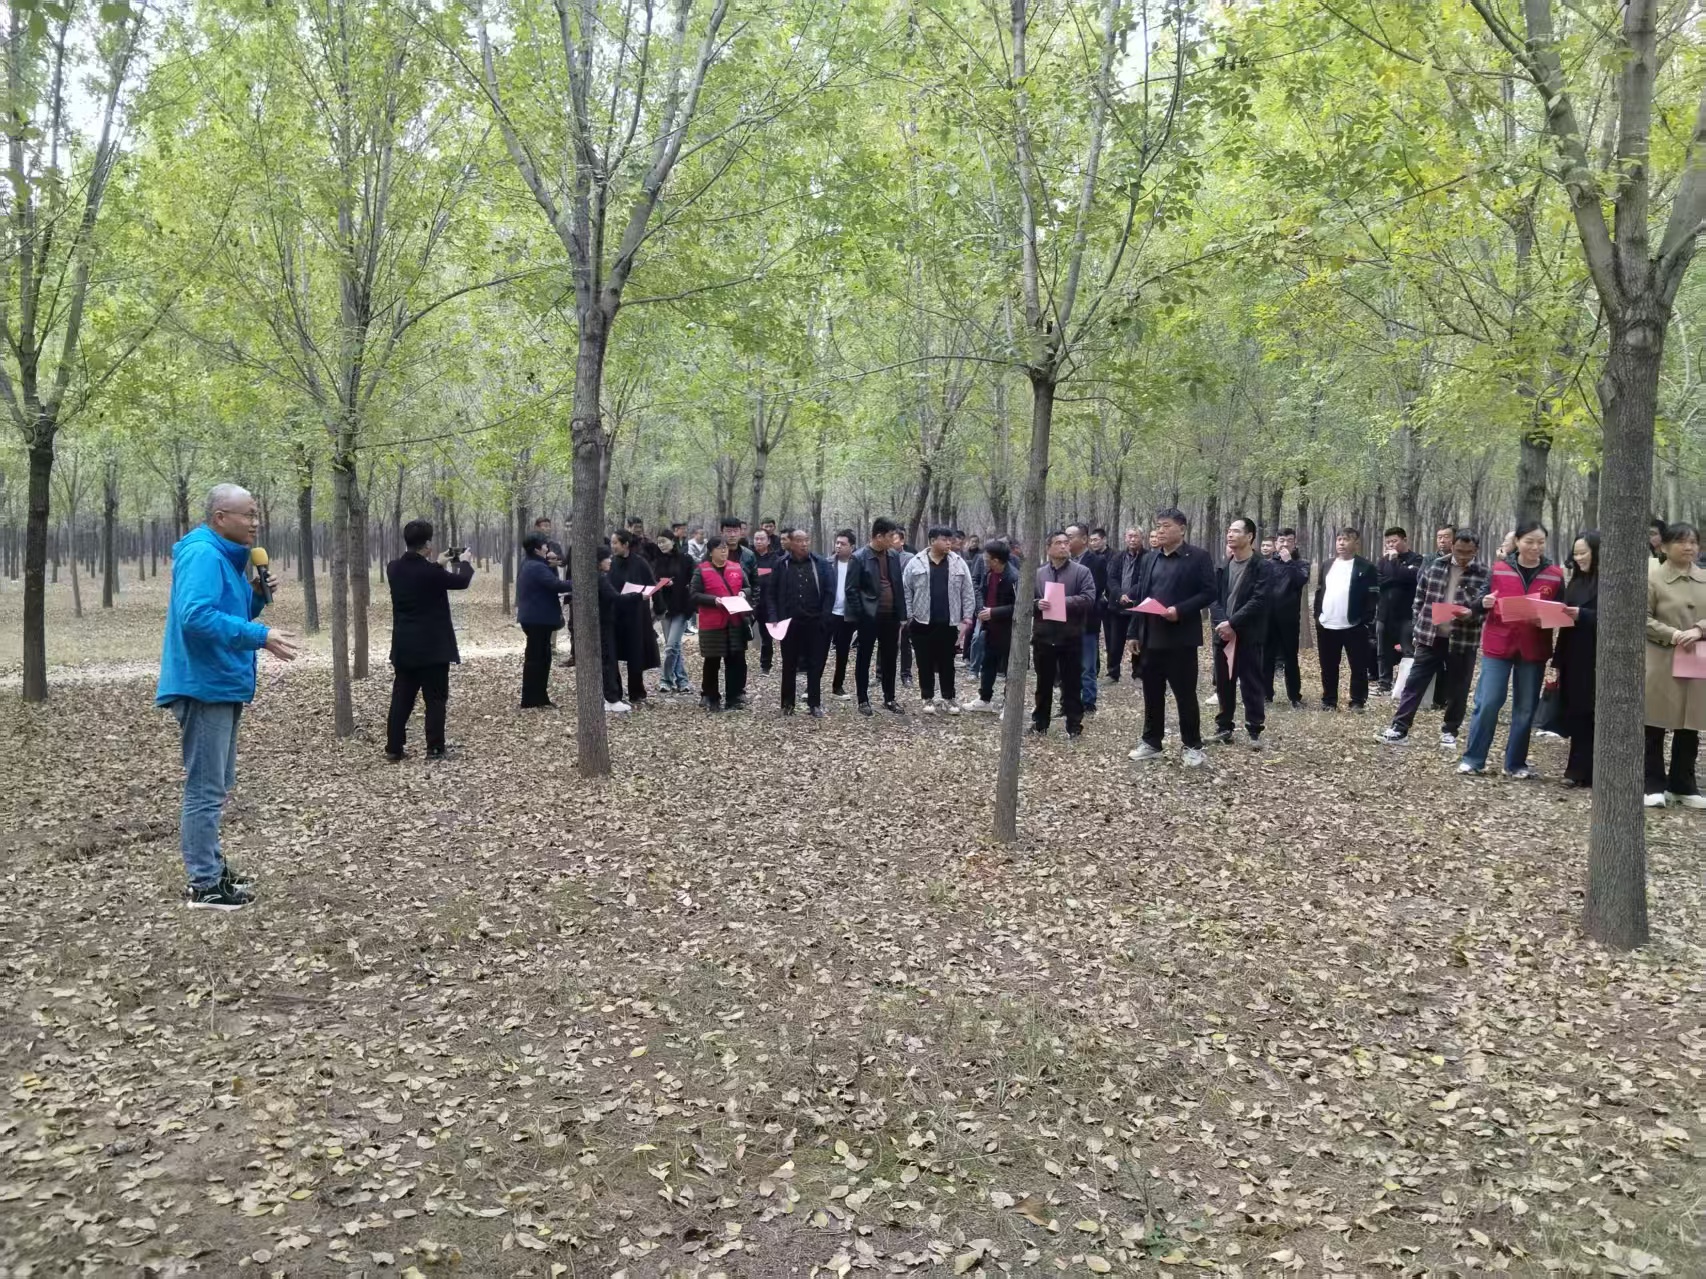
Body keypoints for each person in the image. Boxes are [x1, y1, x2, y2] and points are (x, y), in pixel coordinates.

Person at [156, 483, 298, 910]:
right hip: (204, 685)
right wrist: (260, 635)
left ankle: (213, 868)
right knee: (204, 788)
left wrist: (253, 597)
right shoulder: (203, 554)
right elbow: (196, 617)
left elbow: (224, 615)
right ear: (220, 517)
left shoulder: (225, 557)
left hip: (220, 681)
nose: (255, 523)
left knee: (216, 784)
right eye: (248, 514)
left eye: (256, 514)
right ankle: (204, 884)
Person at [1458, 520, 1565, 777]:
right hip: (1499, 643)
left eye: (1540, 542)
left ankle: (1515, 763)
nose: (1535, 547)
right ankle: (1473, 759)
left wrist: (1547, 617)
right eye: (1529, 542)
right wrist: (1483, 603)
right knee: (1488, 702)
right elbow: (1478, 603)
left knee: (1526, 708)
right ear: (1517, 542)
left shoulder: (1555, 574)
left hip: (1534, 646)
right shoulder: (1498, 569)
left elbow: (1562, 611)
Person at [1378, 531, 1488, 749]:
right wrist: (1418, 625)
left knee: (1458, 688)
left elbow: (1485, 608)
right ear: (1452, 547)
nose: (1463, 557)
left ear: (1476, 551)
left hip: (1463, 639)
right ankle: (1399, 728)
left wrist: (1472, 614)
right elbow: (1419, 598)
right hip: (1430, 636)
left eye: (1469, 553)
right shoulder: (1435, 566)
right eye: (1459, 551)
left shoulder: (1484, 573)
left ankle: (1450, 731)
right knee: (1414, 683)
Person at [1127, 508, 1216, 766]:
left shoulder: (1198, 557)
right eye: (1158, 526)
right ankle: (1151, 742)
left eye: (1166, 526)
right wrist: (1133, 632)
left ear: (1182, 529)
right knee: (1152, 693)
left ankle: (1192, 746)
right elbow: (1142, 596)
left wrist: (1180, 610)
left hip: (1181, 639)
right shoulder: (1150, 559)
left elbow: (1209, 592)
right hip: (1151, 637)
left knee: (1185, 695)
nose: (1160, 531)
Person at [384, 519, 474, 763]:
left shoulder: (393, 568)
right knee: (435, 699)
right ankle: (434, 749)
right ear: (428, 545)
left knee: (401, 698)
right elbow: (462, 582)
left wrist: (437, 563)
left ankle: (393, 747)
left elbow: (419, 576)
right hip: (433, 649)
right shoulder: (433, 574)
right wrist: (465, 563)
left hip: (405, 647)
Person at [1644, 522, 1706, 807]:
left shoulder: (1703, 577)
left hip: (1696, 659)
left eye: (1693, 542)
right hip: (1661, 658)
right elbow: (1642, 617)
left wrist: (1700, 629)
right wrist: (1674, 634)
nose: (1689, 547)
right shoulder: (1653, 578)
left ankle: (1683, 783)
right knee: (1654, 722)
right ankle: (1652, 783)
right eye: (1681, 542)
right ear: (1665, 546)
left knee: (1690, 722)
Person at [1209, 517, 1271, 748]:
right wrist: (1222, 623)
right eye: (1229, 531)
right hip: (1223, 634)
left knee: (1251, 682)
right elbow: (1214, 598)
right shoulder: (1223, 566)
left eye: (1236, 531)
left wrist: (1233, 623)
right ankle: (1224, 727)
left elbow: (1259, 600)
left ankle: (1254, 729)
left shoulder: (1262, 566)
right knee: (1223, 683)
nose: (1230, 534)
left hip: (1248, 634)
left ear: (1250, 536)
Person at [1028, 531, 1097, 738]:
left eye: (1066, 542)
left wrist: (1062, 601)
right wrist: (1037, 604)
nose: (1064, 546)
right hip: (1043, 636)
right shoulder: (1038, 573)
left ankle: (1074, 725)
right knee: (1043, 683)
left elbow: (1089, 598)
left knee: (1072, 683)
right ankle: (1040, 723)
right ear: (1048, 548)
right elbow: (1027, 600)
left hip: (1071, 636)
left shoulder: (1081, 572)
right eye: (1058, 543)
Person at [902, 524, 977, 714]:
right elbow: (906, 591)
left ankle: (949, 697)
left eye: (950, 539)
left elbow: (967, 591)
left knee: (947, 662)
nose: (949, 543)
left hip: (949, 622)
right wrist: (909, 616)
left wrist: (967, 617)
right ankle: (927, 697)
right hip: (921, 622)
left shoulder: (958, 562)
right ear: (932, 541)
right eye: (944, 539)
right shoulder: (915, 563)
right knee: (924, 661)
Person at [770, 527, 837, 716]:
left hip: (815, 621)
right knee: (789, 663)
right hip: (789, 622)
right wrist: (774, 617)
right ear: (791, 543)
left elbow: (830, 592)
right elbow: (771, 594)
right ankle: (787, 704)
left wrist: (825, 617)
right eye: (799, 541)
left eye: (806, 540)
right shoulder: (781, 564)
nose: (804, 544)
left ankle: (814, 703)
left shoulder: (820, 563)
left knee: (815, 663)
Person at [1313, 527, 1380, 711]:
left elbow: (1373, 596)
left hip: (1354, 625)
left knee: (1358, 666)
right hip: (1327, 624)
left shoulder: (1366, 567)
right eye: (1339, 539)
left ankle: (1357, 701)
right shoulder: (1327, 565)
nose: (1341, 543)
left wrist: (1365, 620)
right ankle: (1329, 700)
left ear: (1356, 544)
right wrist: (1318, 616)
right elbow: (1319, 591)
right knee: (1328, 666)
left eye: (1346, 539)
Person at [846, 517, 907, 715]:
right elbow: (851, 590)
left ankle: (889, 698)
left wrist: (902, 615)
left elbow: (898, 585)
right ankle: (863, 700)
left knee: (890, 658)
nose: (893, 540)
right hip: (869, 617)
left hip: (891, 616)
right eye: (890, 536)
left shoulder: (893, 556)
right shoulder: (859, 557)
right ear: (879, 536)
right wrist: (861, 615)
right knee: (864, 657)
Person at [1552, 531, 1599, 787]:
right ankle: (1576, 768)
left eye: (1584, 553)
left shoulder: (1610, 582)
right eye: (1576, 553)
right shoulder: (1575, 581)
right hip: (1573, 654)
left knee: (1593, 713)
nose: (1579, 558)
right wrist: (1557, 662)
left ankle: (1592, 770)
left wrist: (1584, 615)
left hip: (1597, 655)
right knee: (1577, 712)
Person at [690, 536, 751, 711]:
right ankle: (711, 697)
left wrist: (743, 593)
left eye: (725, 548)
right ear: (711, 552)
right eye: (719, 548)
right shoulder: (701, 570)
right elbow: (694, 594)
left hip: (735, 621)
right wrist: (713, 600)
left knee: (735, 661)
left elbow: (748, 587)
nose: (724, 551)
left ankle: (733, 697)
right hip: (712, 623)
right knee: (712, 661)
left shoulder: (736, 567)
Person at [517, 532, 576, 709]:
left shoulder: (532, 563)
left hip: (536, 619)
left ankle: (540, 698)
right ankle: (531, 699)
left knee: (542, 658)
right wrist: (581, 581)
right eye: (544, 545)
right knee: (537, 660)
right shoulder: (536, 567)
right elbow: (557, 585)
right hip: (537, 620)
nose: (547, 548)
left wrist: (550, 564)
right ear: (537, 549)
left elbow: (549, 581)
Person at [608, 530, 661, 705]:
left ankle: (637, 692)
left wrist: (658, 607)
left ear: (625, 545)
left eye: (616, 543)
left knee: (635, 653)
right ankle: (615, 693)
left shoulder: (640, 563)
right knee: (613, 653)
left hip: (637, 615)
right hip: (616, 614)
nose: (613, 546)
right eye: (612, 543)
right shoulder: (611, 563)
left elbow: (652, 585)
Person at [966, 540, 1018, 711]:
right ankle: (984, 698)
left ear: (996, 560)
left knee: (1010, 669)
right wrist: (981, 610)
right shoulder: (989, 573)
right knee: (988, 663)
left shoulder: (1013, 577)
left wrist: (994, 612)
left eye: (987, 558)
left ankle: (1008, 705)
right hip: (990, 628)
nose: (984, 560)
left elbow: (1020, 606)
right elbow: (981, 591)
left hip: (1009, 630)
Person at [1263, 527, 1309, 709]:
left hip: (1289, 619)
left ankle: (1294, 696)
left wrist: (1289, 562)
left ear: (1294, 543)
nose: (1285, 544)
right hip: (1268, 618)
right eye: (1281, 540)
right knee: (1266, 657)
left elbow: (1300, 581)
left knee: (1291, 658)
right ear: (1276, 544)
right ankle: (1265, 694)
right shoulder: (1266, 564)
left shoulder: (1301, 564)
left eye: (1289, 540)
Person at [1375, 527, 1425, 694]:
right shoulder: (1382, 561)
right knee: (1383, 650)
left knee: (1408, 650)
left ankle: (1405, 685)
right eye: (1388, 542)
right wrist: (1397, 577)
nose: (1391, 545)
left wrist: (1395, 563)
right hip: (1384, 613)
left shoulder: (1416, 559)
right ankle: (1384, 683)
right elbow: (1378, 581)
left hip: (1407, 613)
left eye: (1394, 541)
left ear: (1404, 540)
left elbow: (1413, 578)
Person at [1068, 523, 1107, 714]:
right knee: (1069, 663)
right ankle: (1070, 700)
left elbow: (1095, 590)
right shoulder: (1065, 561)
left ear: (1083, 539)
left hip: (1087, 619)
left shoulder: (1096, 562)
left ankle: (1089, 701)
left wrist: (1069, 599)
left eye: (1070, 537)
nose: (1066, 541)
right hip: (1067, 621)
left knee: (1087, 664)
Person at [651, 532, 695, 694]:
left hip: (682, 607)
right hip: (665, 608)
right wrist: (661, 585)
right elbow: (653, 584)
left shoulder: (686, 559)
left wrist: (676, 585)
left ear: (673, 541)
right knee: (674, 647)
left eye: (664, 541)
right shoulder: (657, 561)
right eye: (659, 542)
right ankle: (682, 681)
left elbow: (693, 581)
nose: (661, 545)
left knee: (670, 647)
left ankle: (665, 679)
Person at [1105, 528, 1144, 683]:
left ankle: (1138, 673)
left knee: (1138, 640)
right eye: (1130, 536)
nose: (1133, 539)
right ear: (1125, 538)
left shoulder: (1148, 557)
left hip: (1137, 607)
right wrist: (1119, 594)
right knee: (1114, 642)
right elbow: (1111, 578)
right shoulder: (1117, 557)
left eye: (1136, 536)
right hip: (1117, 606)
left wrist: (1130, 595)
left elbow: (1144, 580)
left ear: (1142, 538)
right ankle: (1113, 673)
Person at [829, 529, 858, 699]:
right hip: (829, 613)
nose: (838, 546)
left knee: (843, 651)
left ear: (851, 547)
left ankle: (838, 686)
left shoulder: (858, 565)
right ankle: (811, 688)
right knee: (819, 650)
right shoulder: (827, 563)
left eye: (843, 544)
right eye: (837, 543)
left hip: (847, 614)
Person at [752, 528, 784, 674]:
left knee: (766, 636)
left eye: (762, 539)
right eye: (756, 539)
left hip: (767, 602)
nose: (758, 541)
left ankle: (765, 665)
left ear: (768, 541)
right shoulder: (749, 556)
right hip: (750, 602)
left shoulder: (775, 558)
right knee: (741, 632)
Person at [890, 527, 917, 688]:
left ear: (902, 541)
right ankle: (881, 674)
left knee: (905, 641)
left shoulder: (909, 558)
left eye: (894, 539)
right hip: (887, 604)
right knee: (886, 640)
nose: (891, 542)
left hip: (904, 603)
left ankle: (906, 675)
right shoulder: (884, 556)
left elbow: (907, 581)